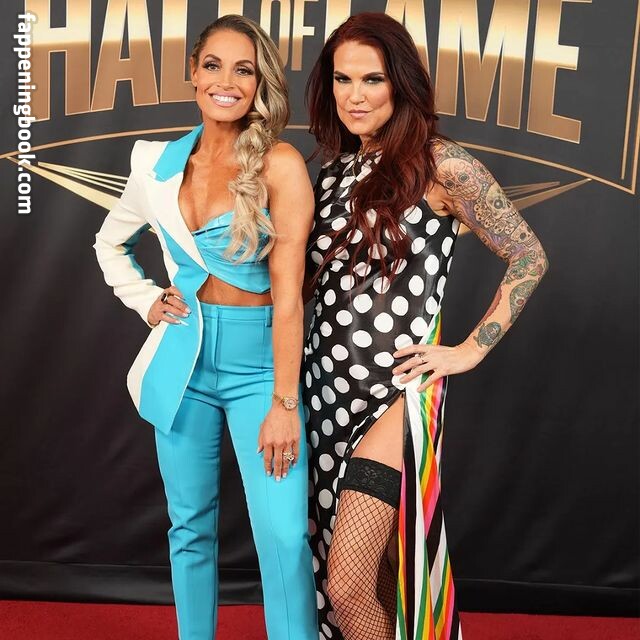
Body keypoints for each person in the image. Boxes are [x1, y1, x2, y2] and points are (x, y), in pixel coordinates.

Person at [303, 12, 548, 640]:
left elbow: (528, 255)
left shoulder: (442, 165)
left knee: (347, 584)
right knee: (379, 575)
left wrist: (468, 350)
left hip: (397, 397)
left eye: (373, 79)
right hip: (324, 395)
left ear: (402, 84)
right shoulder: (327, 174)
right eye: (342, 79)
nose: (355, 95)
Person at [93, 14, 317, 640]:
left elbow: (290, 297)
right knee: (189, 526)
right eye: (213, 65)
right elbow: (109, 244)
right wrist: (146, 300)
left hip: (259, 368)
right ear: (193, 72)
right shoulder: (156, 164)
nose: (226, 81)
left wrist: (284, 402)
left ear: (259, 84)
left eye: (244, 70)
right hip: (182, 360)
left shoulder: (279, 164)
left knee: (283, 535)